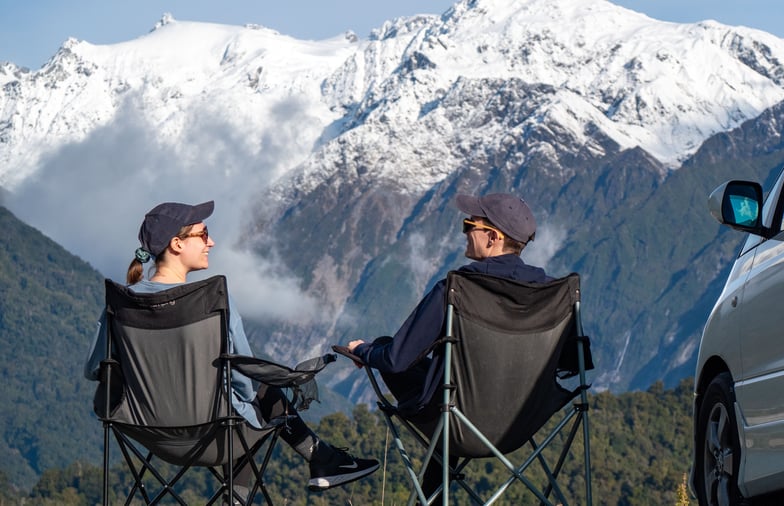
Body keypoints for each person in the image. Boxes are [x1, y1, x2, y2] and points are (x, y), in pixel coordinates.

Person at [84, 200, 378, 497]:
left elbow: (95, 368)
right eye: (203, 233)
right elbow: (245, 379)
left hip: (151, 438)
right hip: (216, 435)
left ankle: (322, 461)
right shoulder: (210, 300)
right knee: (256, 397)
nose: (211, 241)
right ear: (176, 244)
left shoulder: (121, 305)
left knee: (233, 407)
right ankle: (321, 461)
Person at [346, 192, 553, 498]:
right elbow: (572, 363)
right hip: (520, 424)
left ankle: (432, 498)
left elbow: (397, 360)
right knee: (451, 384)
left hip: (457, 421)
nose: (465, 232)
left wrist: (363, 350)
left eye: (469, 225)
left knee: (392, 350)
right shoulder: (551, 293)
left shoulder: (457, 289)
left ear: (493, 237)